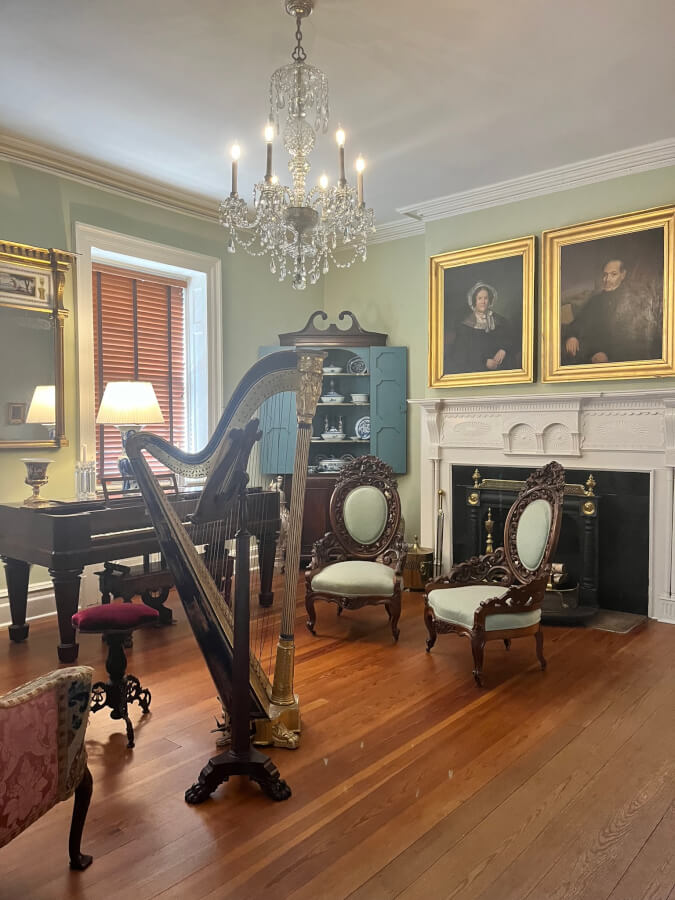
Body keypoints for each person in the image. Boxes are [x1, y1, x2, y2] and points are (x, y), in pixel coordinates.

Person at [563, 258, 662, 365]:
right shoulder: (596, 299)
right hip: (592, 352)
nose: (607, 279)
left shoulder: (634, 299)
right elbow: (579, 322)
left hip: (619, 358)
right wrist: (572, 336)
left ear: (623, 275)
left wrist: (606, 355)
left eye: (613, 274)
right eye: (605, 275)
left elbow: (634, 339)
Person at [444, 282, 516, 374]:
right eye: (480, 298)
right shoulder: (465, 327)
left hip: (501, 369)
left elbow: (511, 339)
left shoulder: (500, 320)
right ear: (474, 301)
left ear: (490, 300)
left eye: (486, 298)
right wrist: (484, 363)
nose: (483, 302)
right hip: (478, 371)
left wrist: (504, 350)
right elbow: (461, 356)